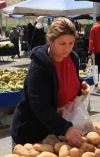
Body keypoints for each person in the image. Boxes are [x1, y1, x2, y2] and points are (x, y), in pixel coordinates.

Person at [10, 18, 90, 147]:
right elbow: (40, 105)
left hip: (55, 132)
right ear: (50, 39)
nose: (67, 48)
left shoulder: (72, 58)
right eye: (62, 43)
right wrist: (65, 128)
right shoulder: (39, 66)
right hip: (32, 133)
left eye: (71, 43)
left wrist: (80, 85)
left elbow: (63, 81)